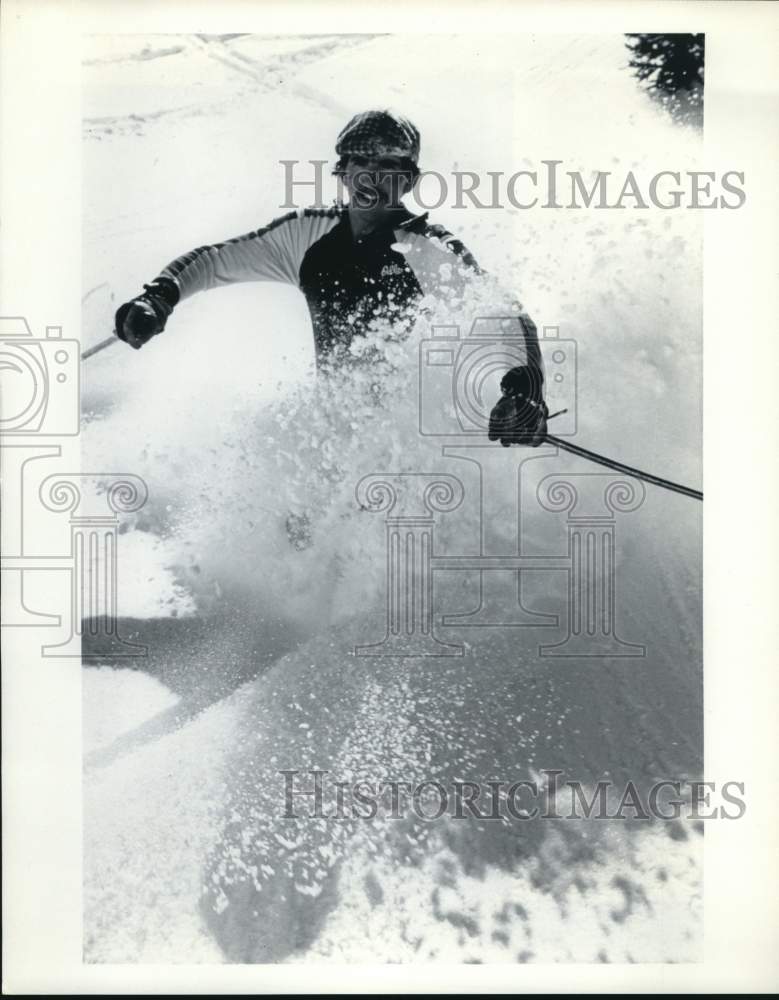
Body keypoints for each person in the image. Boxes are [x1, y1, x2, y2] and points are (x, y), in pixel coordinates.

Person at [114, 109, 548, 446]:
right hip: (331, 432)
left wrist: (524, 390)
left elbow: (502, 316)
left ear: (410, 179)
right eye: (360, 162)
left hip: (407, 441)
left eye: (388, 166)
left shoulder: (426, 248)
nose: (371, 177)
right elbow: (214, 262)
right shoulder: (308, 235)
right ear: (341, 171)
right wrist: (159, 298)